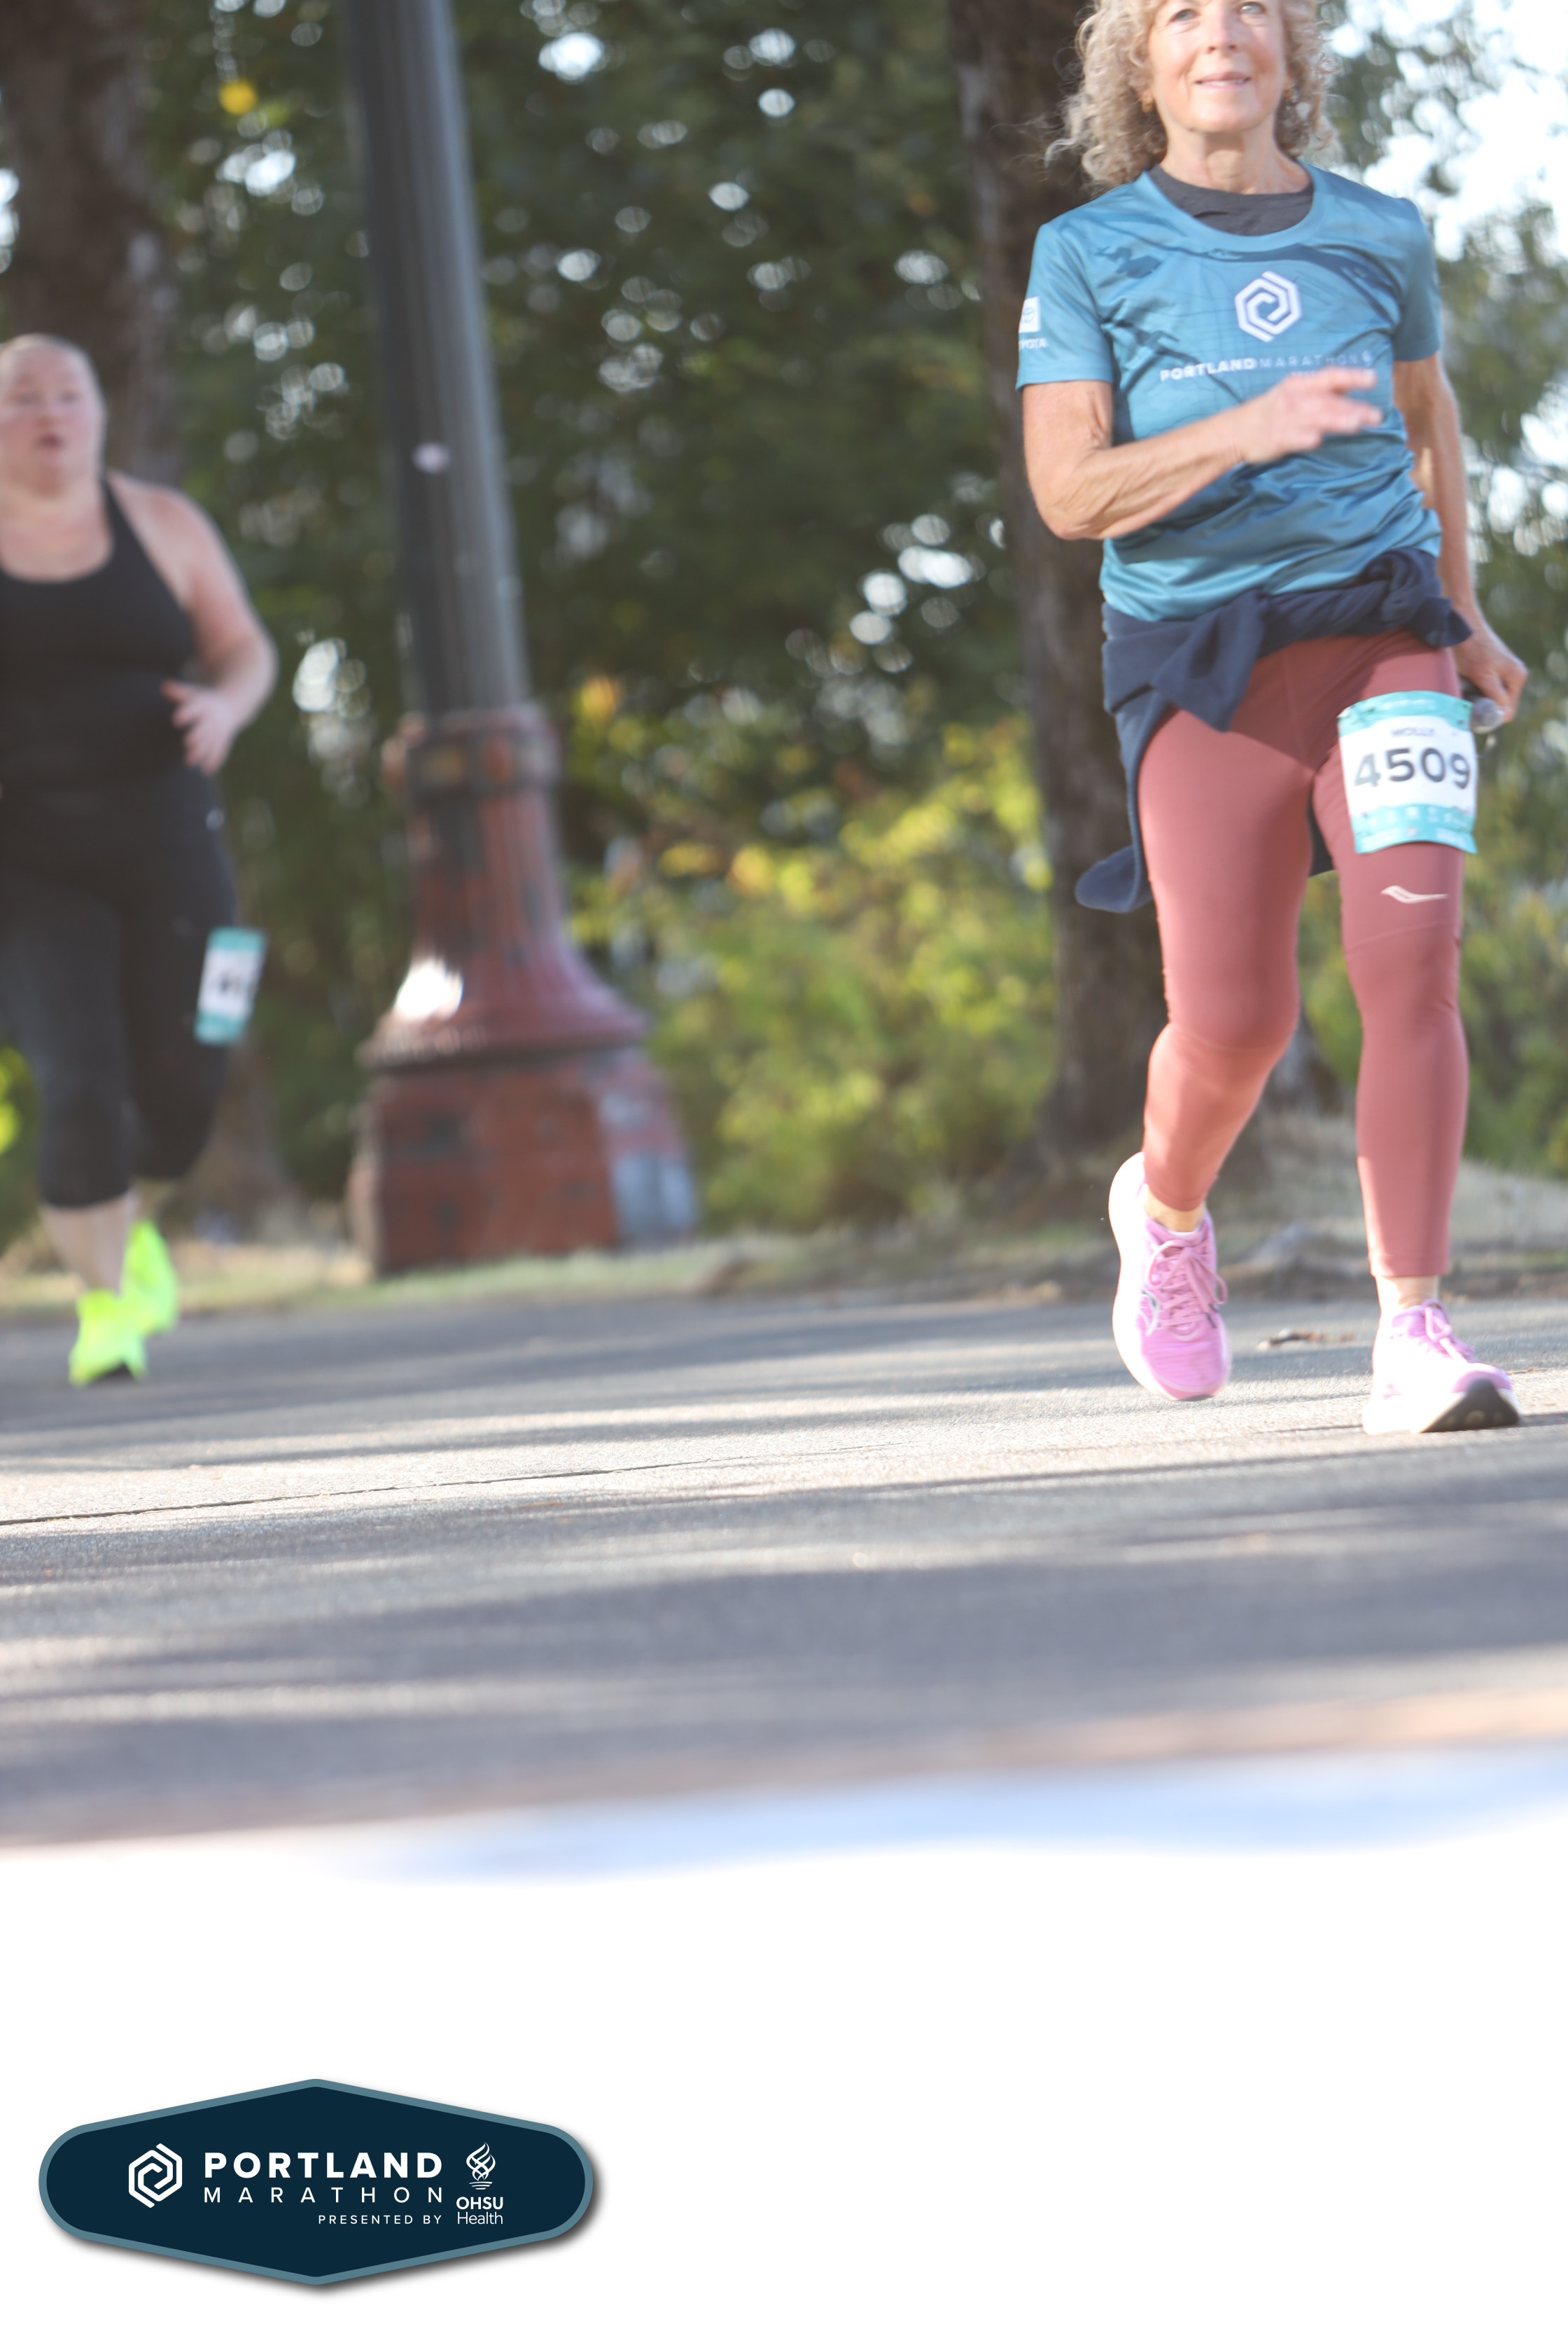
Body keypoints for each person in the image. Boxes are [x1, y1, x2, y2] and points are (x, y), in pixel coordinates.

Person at [1018, 0, 1528, 1436]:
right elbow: (1068, 493)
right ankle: (1165, 1211)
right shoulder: (1088, 252)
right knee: (1235, 1023)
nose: (1222, 32)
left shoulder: (1378, 232)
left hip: (1384, 636)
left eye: (1254, 6)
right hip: (1202, 662)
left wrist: (1462, 610)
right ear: (1142, 64)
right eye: (1182, 11)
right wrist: (1243, 430)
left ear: (1295, 51)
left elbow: (1429, 423)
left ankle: (1413, 1331)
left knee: (1410, 966)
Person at [0, 335, 276, 1383]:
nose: (49, 413)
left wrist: (226, 707)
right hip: (27, 857)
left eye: (68, 394)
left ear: (99, 414)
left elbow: (245, 647)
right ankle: (105, 1304)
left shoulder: (163, 524)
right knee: (79, 1075)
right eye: (23, 397)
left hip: (169, 843)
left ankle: (137, 1224)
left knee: (188, 1082)